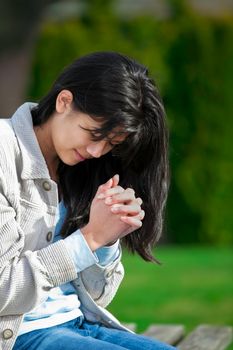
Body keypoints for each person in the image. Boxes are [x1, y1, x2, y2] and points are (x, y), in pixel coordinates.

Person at [0, 51, 175, 350]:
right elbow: (4, 289)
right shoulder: (4, 152)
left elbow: (97, 298)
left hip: (79, 323)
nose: (97, 152)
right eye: (94, 134)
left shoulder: (83, 168)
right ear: (63, 101)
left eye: (111, 144)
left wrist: (107, 239)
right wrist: (90, 237)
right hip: (19, 335)